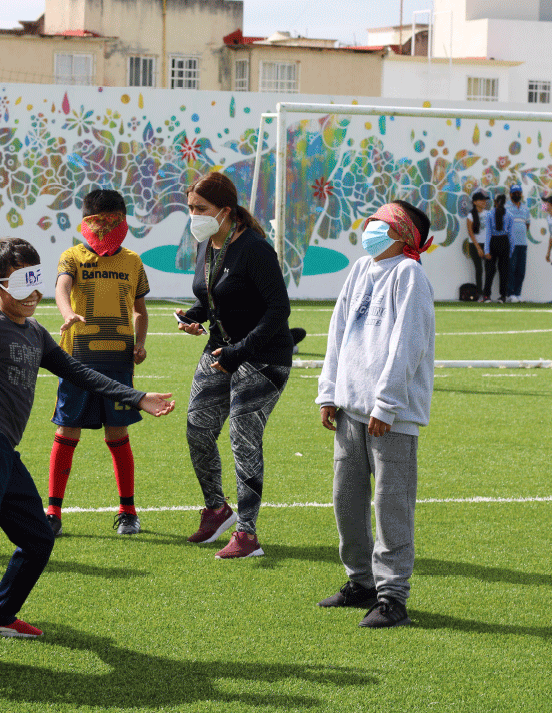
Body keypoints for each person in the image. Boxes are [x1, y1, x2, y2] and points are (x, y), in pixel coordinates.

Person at [0, 237, 174, 645]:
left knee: (37, 538)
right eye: (21, 284)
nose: (33, 293)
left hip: (4, 448)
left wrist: (137, 396)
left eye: (36, 281)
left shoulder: (35, 332)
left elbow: (79, 372)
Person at [315, 200, 435, 628]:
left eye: (380, 222)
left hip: (391, 417)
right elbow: (338, 330)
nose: (370, 227)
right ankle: (360, 582)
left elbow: (409, 343)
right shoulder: (362, 269)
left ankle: (392, 597)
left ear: (403, 235)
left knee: (391, 506)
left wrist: (387, 403)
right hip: (350, 410)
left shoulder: (409, 274)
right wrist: (328, 392)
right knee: (346, 500)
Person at [175, 172, 292, 559]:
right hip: (222, 351)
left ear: (225, 211)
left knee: (243, 438)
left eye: (201, 209)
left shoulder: (255, 249)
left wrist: (241, 350)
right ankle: (216, 509)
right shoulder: (208, 244)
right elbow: (214, 299)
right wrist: (194, 315)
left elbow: (279, 309)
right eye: (190, 208)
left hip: (262, 358)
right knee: (197, 429)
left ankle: (247, 535)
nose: (193, 215)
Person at [46, 189, 150, 537]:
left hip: (118, 360)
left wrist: (141, 343)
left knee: (117, 432)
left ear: (123, 220)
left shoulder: (133, 261)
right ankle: (53, 512)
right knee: (67, 429)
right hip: (77, 358)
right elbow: (62, 288)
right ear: (86, 221)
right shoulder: (72, 256)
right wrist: (67, 313)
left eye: (114, 220)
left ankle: (128, 511)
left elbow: (140, 310)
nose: (106, 227)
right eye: (98, 220)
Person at [481, 193, 511, 303]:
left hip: (493, 241)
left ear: (495, 202)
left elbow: (488, 233)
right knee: (503, 271)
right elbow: (510, 235)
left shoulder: (489, 214)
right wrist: (511, 250)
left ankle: (486, 296)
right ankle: (503, 296)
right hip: (504, 242)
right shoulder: (509, 215)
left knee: (490, 271)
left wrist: (487, 250)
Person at [505, 183, 530, 302]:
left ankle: (518, 293)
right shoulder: (505, 207)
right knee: (511, 269)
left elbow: (527, 224)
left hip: (523, 244)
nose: (516, 195)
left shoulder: (525, 208)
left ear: (521, 194)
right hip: (511, 244)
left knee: (521, 270)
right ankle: (510, 294)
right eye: (514, 193)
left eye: (518, 193)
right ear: (510, 194)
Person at [464, 191, 488, 297]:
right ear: (474, 202)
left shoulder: (488, 213)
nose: (484, 202)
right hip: (475, 245)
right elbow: (470, 233)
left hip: (486, 244)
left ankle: (487, 293)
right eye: (481, 200)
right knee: (479, 269)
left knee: (489, 269)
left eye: (484, 200)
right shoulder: (471, 215)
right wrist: (478, 247)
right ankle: (479, 293)